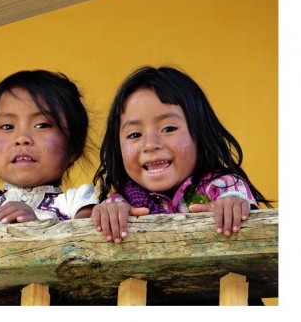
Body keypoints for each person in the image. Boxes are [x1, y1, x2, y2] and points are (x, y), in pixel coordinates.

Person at [92, 65, 272, 243]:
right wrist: (107, 215)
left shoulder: (223, 186)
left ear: (199, 134)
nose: (150, 144)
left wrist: (232, 205)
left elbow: (238, 200)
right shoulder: (122, 202)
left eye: (168, 128)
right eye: (135, 135)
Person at [0, 70, 98, 227]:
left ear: (73, 148)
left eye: (42, 125)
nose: (22, 138)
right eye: (7, 126)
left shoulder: (79, 202)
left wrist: (37, 227)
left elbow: (85, 239)